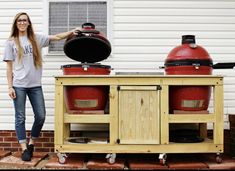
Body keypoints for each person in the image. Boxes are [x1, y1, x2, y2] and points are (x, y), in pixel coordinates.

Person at [2, 12, 80, 161]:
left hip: (35, 85)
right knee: (20, 118)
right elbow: (9, 67)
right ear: (16, 23)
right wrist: (9, 87)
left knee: (41, 116)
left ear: (28, 23)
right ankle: (24, 149)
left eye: (24, 20)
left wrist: (71, 32)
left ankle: (32, 143)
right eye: (19, 21)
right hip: (18, 85)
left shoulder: (36, 39)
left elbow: (56, 37)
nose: (22, 23)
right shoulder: (11, 42)